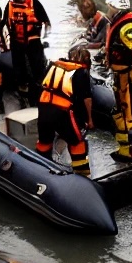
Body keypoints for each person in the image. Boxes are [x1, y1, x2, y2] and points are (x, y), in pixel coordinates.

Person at [36, 46, 94, 176]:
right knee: (77, 142)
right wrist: (89, 120)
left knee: (44, 141)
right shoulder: (81, 72)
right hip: (62, 111)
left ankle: (40, 169)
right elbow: (86, 100)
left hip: (43, 107)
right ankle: (82, 174)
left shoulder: (54, 65)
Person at [104, 0, 132, 159]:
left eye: (109, 7)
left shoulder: (129, 26)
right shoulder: (118, 23)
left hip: (129, 76)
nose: (108, 11)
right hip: (121, 75)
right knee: (121, 111)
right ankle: (124, 150)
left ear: (115, 8)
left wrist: (125, 70)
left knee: (130, 112)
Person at [1, 0, 51, 108]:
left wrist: (44, 36)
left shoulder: (34, 3)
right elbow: (5, 24)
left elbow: (46, 23)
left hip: (33, 41)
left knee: (37, 69)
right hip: (17, 42)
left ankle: (39, 93)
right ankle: (25, 95)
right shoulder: (9, 6)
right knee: (20, 71)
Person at [75, 0, 110, 72]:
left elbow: (101, 43)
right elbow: (89, 34)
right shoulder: (95, 18)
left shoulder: (102, 20)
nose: (81, 14)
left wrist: (84, 46)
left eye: (81, 11)